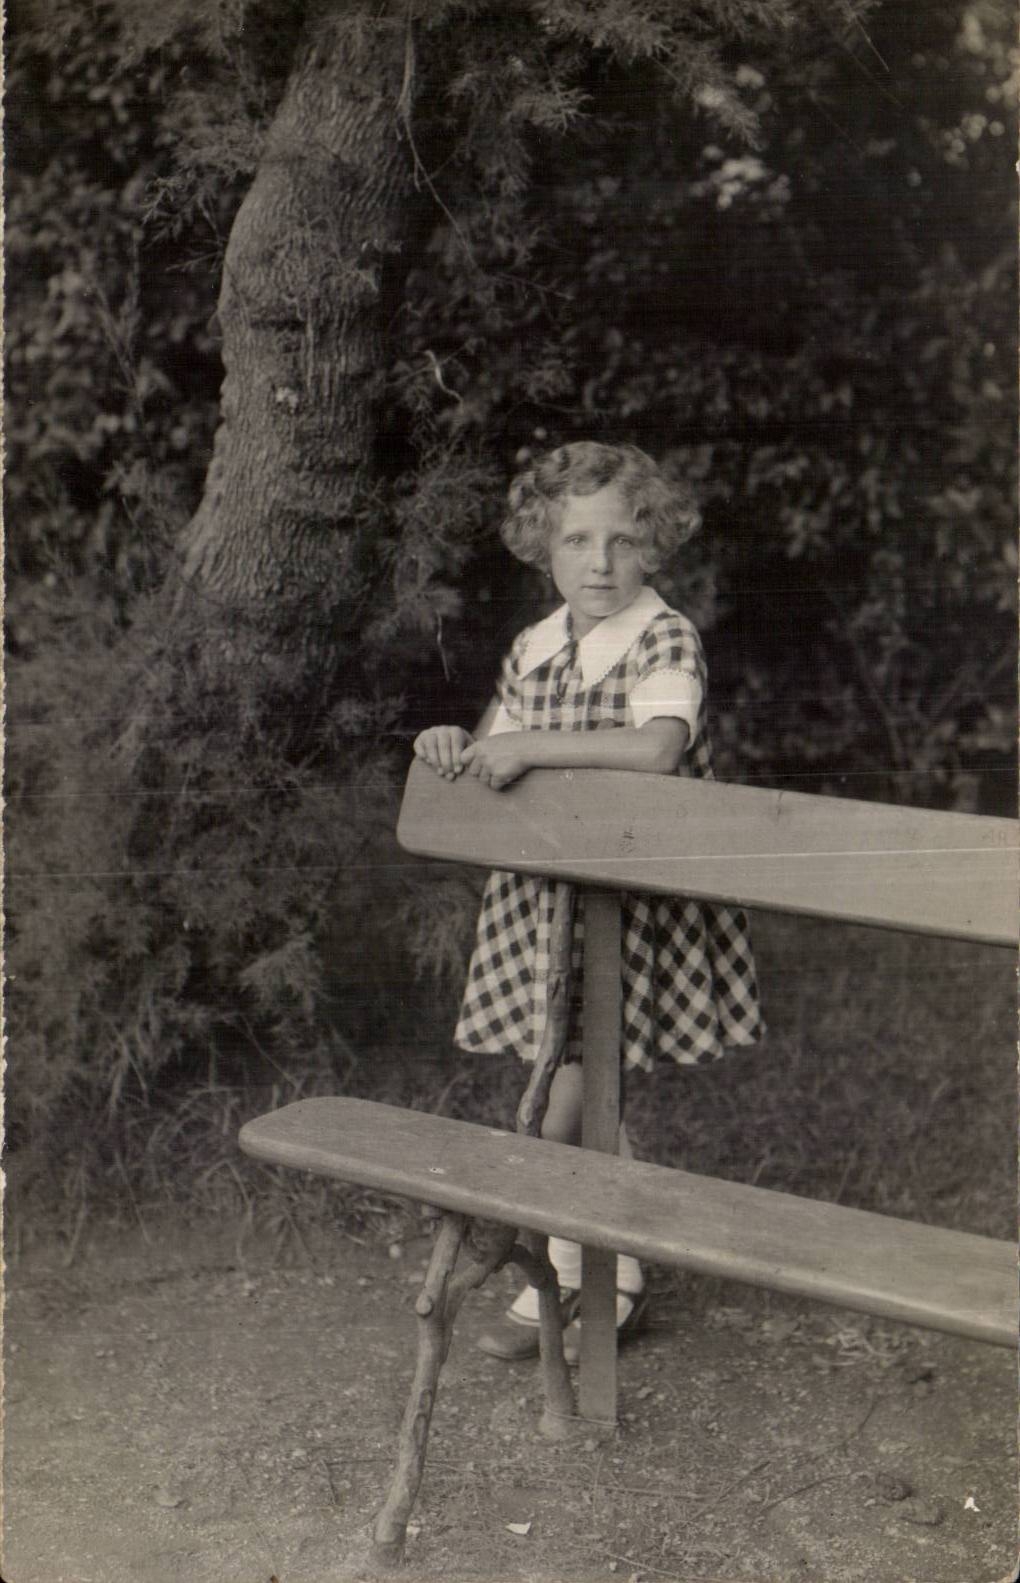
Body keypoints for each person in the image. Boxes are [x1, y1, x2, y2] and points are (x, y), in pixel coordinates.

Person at [413, 440, 764, 1363]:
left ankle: (571, 1258)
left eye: (621, 540)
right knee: (572, 1079)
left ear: (653, 544)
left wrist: (533, 748)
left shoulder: (662, 636)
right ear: (544, 546)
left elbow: (658, 748)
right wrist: (453, 745)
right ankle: (593, 1265)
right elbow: (489, 751)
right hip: (547, 901)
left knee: (567, 1091)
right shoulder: (536, 644)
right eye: (576, 541)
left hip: (630, 903)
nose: (600, 563)